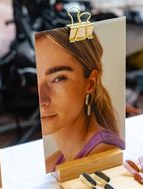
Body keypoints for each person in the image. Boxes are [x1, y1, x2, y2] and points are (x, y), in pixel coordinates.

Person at [35, 27, 125, 172]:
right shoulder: (54, 161)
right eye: (35, 79)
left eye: (59, 78)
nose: (42, 100)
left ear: (90, 83)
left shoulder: (103, 153)